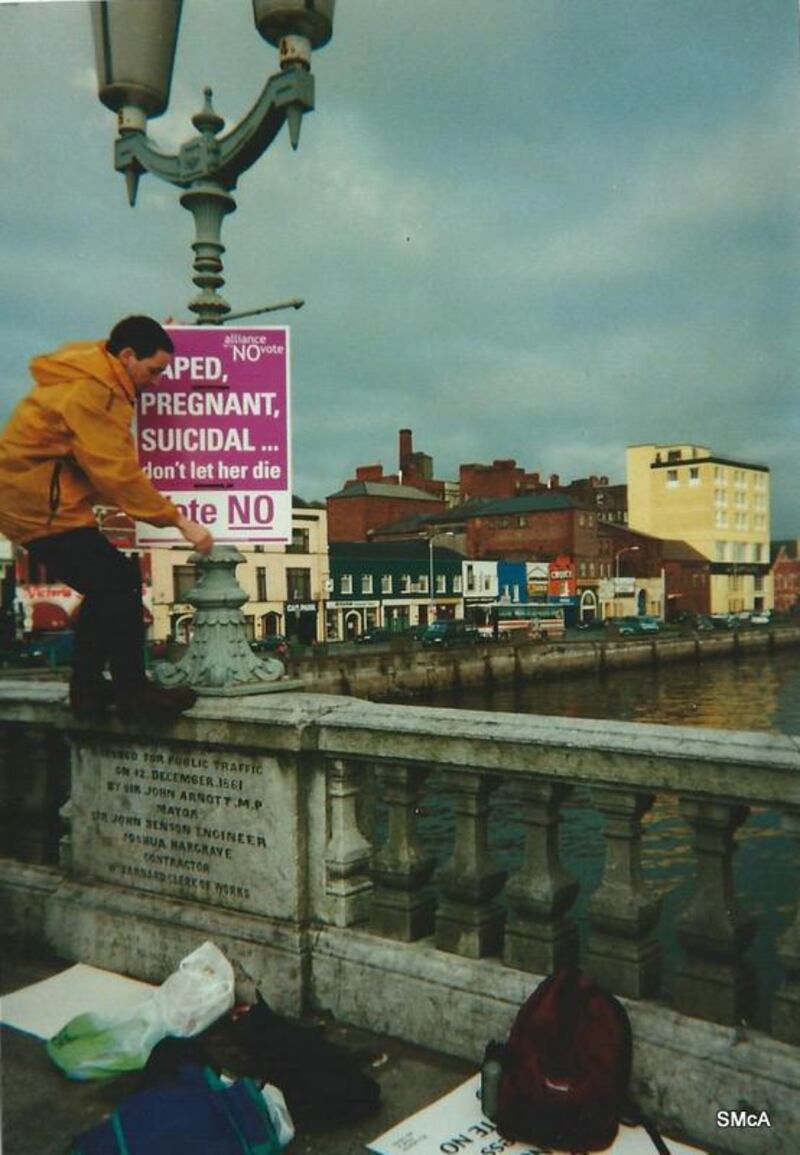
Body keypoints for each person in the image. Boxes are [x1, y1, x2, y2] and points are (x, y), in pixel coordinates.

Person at [0, 315, 213, 721]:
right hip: (38, 506)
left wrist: (169, 331)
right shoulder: (93, 392)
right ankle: (132, 692)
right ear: (128, 356)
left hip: (33, 499)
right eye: (154, 370)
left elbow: (126, 338)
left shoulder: (99, 368)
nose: (156, 381)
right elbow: (116, 471)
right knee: (117, 580)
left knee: (108, 584)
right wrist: (179, 521)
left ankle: (90, 688)